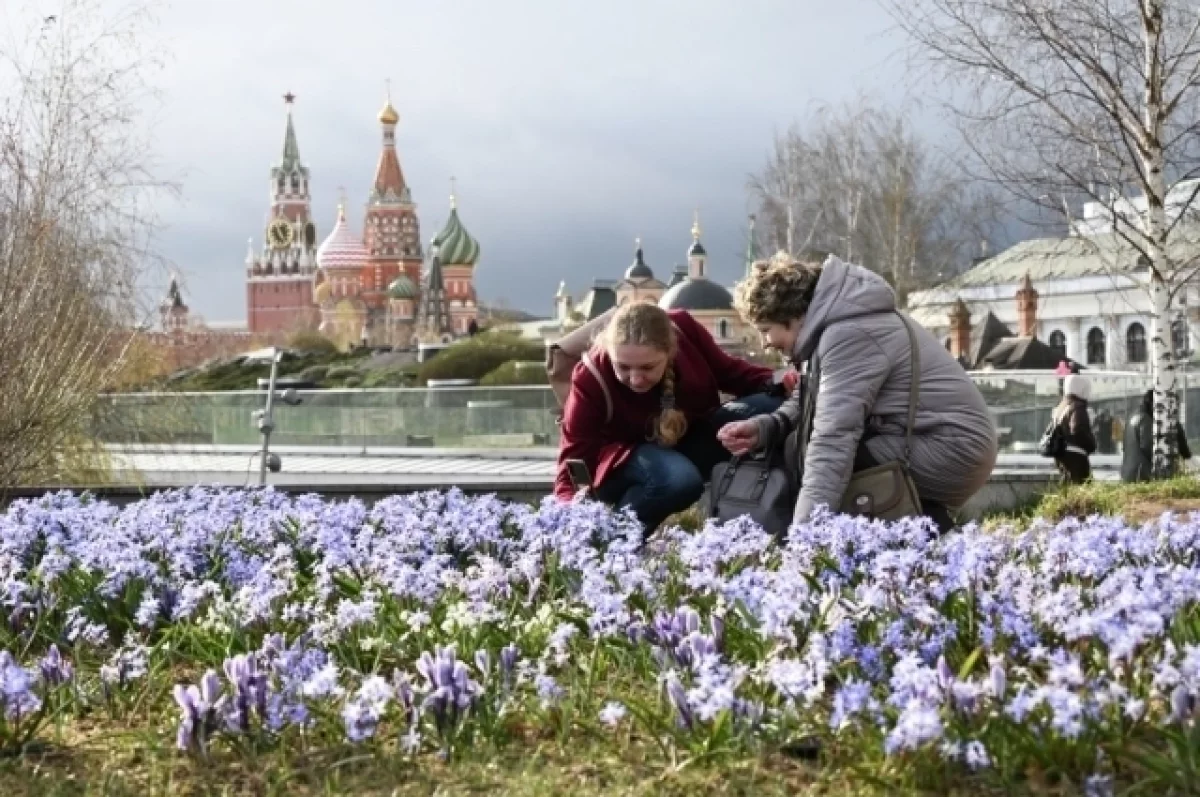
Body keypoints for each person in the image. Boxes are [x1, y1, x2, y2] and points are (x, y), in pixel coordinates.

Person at [717, 253, 998, 533]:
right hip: (936, 440)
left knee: (813, 454)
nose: (765, 343)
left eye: (766, 330)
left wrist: (804, 538)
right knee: (796, 446)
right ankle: (917, 536)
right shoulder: (837, 322)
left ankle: (923, 535)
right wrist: (769, 426)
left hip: (952, 449)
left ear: (790, 315)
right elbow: (810, 396)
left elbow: (833, 438)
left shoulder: (850, 333)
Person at [554, 302, 788, 531]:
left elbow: (732, 374)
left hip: (685, 439)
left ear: (670, 352)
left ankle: (779, 512)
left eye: (647, 367)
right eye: (623, 367)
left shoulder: (683, 329)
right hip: (624, 461)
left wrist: (781, 381)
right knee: (678, 479)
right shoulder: (590, 376)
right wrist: (567, 517)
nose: (635, 379)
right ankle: (614, 540)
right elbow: (573, 459)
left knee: (774, 405)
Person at [1121, 389, 1192, 482]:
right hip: (1143, 474)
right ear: (1154, 404)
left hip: (1129, 473)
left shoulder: (1133, 416)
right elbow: (1148, 446)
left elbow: (1125, 446)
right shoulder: (1146, 420)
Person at [1051, 374, 1096, 484]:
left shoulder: (1062, 406)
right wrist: (1091, 444)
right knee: (1081, 486)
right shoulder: (1077, 406)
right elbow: (1078, 429)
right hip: (1076, 456)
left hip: (1062, 453)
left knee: (1068, 485)